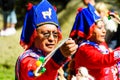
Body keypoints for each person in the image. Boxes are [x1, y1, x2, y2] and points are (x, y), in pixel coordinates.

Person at [15, 0, 78, 80]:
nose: (52, 38)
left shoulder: (48, 55)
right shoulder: (27, 60)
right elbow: (39, 74)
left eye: (55, 34)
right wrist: (59, 55)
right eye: (46, 34)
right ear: (34, 36)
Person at [68, 3, 120, 80]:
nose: (104, 31)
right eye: (100, 28)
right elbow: (105, 60)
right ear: (89, 31)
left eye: (104, 27)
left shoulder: (100, 42)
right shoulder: (84, 50)